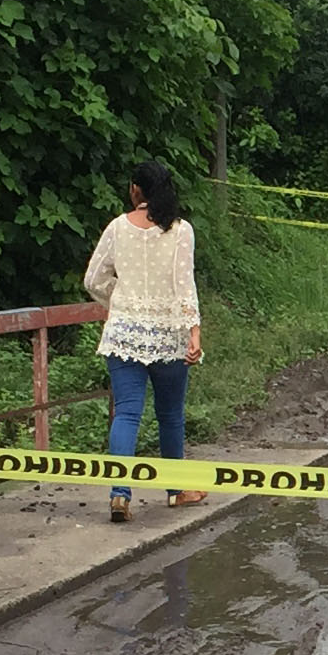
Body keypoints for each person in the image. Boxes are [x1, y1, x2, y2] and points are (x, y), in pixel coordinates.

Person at [84, 162, 205, 522]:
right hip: (169, 335)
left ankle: (119, 495)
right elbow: (186, 286)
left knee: (127, 413)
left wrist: (118, 302)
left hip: (124, 334)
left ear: (136, 190)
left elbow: (93, 279)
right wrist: (194, 332)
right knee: (170, 416)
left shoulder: (117, 228)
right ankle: (175, 489)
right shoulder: (181, 231)